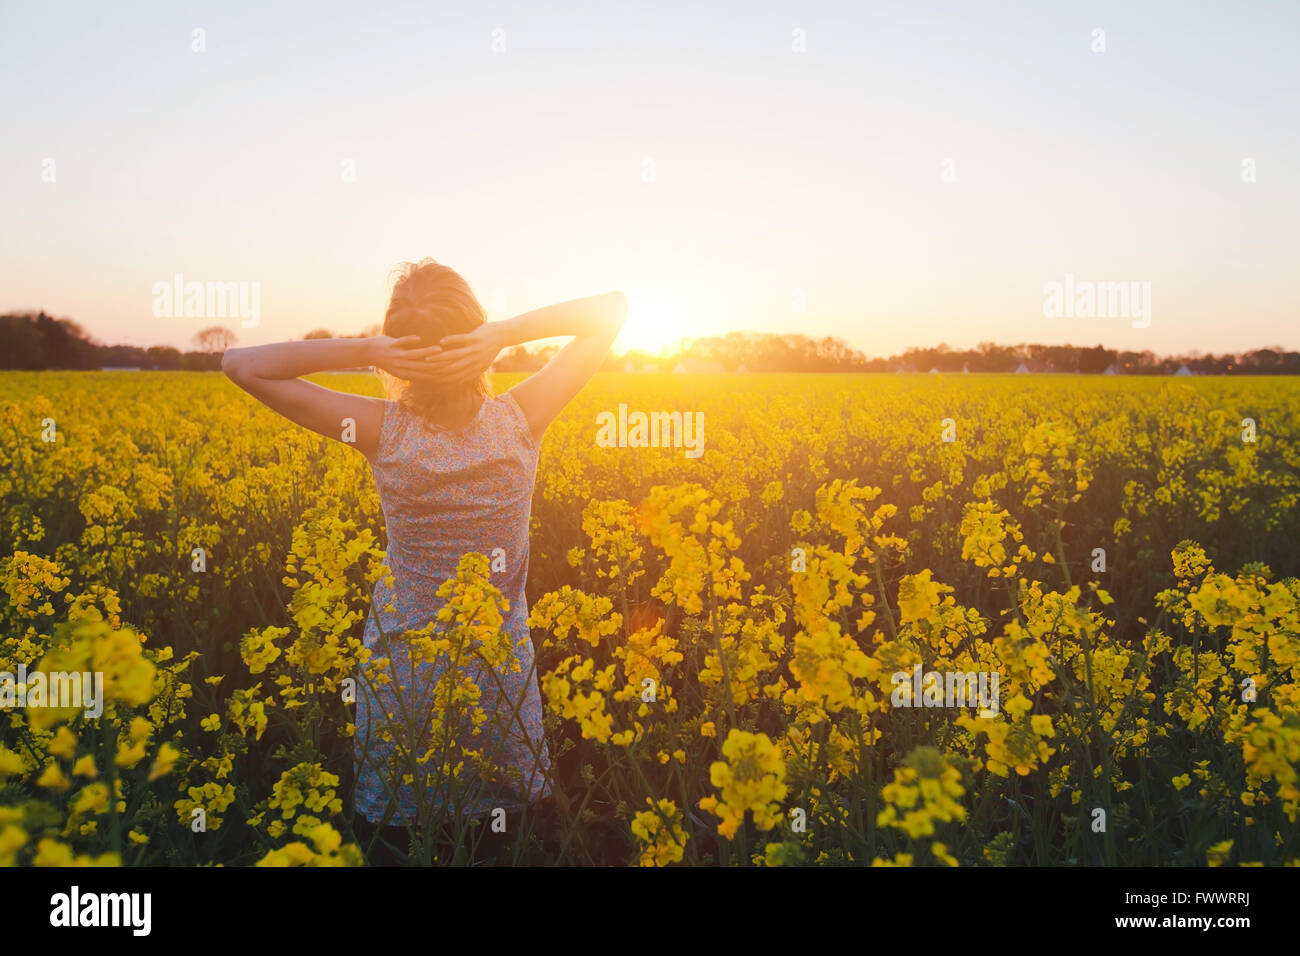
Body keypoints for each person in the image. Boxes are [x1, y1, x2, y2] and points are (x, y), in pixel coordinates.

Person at [222, 258, 626, 863]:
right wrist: (502, 334)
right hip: (498, 670)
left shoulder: (380, 429)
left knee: (401, 840)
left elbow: (240, 364)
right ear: (476, 339)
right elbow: (612, 309)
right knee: (503, 838)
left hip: (404, 672)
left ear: (396, 354)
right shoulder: (523, 419)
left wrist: (366, 348)